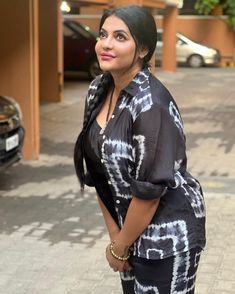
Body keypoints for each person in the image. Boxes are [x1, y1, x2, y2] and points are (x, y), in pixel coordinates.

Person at [74, 5, 206, 294]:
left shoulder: (151, 104)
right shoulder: (98, 89)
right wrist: (117, 239)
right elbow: (99, 173)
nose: (106, 44)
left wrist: (119, 247)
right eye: (103, 34)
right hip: (129, 232)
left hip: (168, 238)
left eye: (120, 37)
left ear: (143, 49)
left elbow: (149, 192)